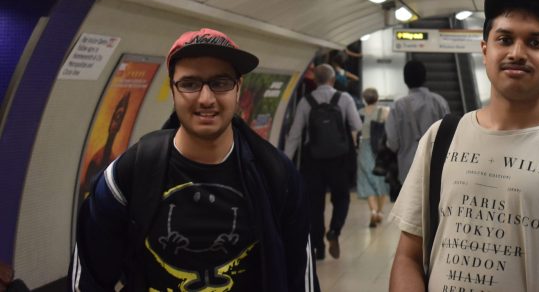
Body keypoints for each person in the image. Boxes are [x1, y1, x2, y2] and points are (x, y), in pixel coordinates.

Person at [388, 0, 539, 292]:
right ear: (485, 50)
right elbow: (408, 257)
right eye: (505, 39)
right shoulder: (442, 137)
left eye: (535, 42)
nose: (517, 53)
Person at [72, 28, 316, 291]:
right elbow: (89, 278)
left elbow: (300, 278)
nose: (206, 99)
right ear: (172, 89)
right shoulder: (128, 173)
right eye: (190, 84)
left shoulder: (276, 174)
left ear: (238, 88)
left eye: (221, 83)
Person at [284, 63, 362, 260]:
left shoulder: (306, 101)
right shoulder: (343, 98)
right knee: (342, 198)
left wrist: (284, 162)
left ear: (315, 80)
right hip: (339, 158)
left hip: (313, 159)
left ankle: (318, 246)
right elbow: (357, 124)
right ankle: (335, 230)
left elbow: (294, 134)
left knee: (314, 203)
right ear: (333, 79)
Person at [384, 60, 449, 184]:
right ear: (425, 77)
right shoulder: (440, 102)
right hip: (436, 167)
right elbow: (449, 135)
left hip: (407, 168)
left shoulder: (397, 106)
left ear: (405, 80)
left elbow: (392, 142)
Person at [357, 87, 391, 227]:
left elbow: (355, 133)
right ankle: (380, 211)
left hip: (364, 148)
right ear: (377, 98)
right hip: (379, 149)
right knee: (381, 180)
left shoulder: (359, 113)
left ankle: (373, 211)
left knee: (367, 181)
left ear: (364, 99)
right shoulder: (384, 111)